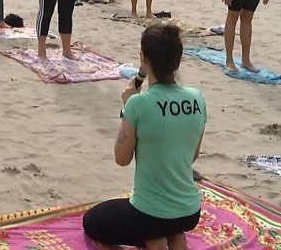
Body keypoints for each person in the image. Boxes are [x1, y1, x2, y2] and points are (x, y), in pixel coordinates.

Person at [83, 23, 206, 250]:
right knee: (170, 226)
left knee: (92, 220)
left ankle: (154, 238)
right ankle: (169, 235)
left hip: (150, 212)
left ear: (143, 58)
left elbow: (121, 158)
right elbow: (193, 155)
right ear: (178, 60)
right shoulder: (196, 98)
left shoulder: (138, 104)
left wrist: (127, 107)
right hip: (189, 211)